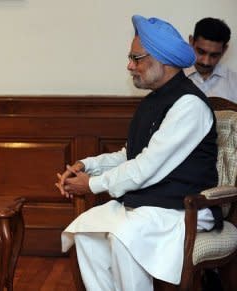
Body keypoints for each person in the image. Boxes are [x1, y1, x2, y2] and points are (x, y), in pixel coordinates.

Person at [56, 15, 220, 291]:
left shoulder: (189, 106)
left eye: (137, 58)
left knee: (124, 237)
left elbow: (146, 166)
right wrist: (88, 166)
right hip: (152, 204)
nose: (129, 65)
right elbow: (130, 155)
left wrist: (91, 185)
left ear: (163, 60)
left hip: (183, 207)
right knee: (86, 232)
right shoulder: (155, 100)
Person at [184, 17, 237, 103]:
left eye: (214, 55)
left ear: (224, 50)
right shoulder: (171, 77)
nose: (206, 62)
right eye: (201, 52)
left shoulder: (234, 83)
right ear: (191, 41)